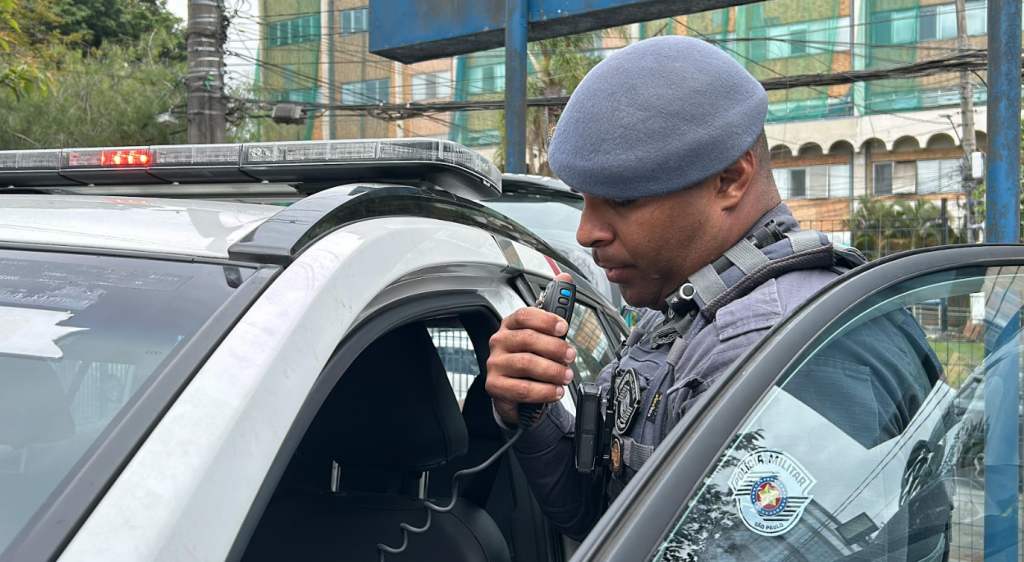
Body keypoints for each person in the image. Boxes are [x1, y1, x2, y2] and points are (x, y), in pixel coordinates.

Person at [484, 34, 944, 546]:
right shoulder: (684, 310)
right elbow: (604, 519)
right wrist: (532, 412)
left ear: (730, 180)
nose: (587, 231)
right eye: (586, 200)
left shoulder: (776, 344)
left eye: (622, 199)